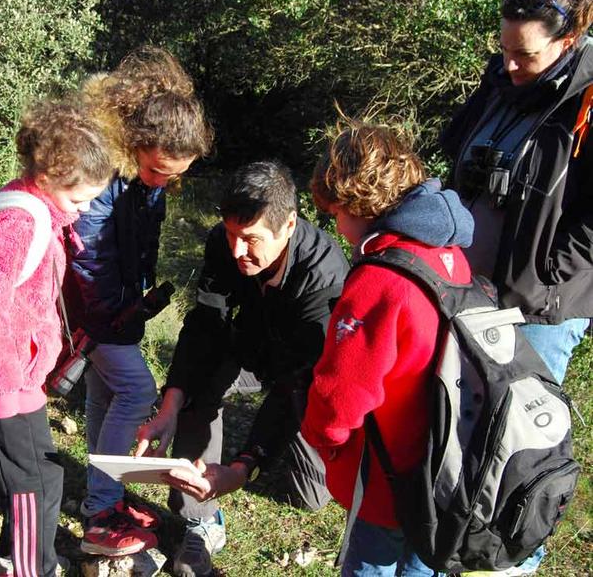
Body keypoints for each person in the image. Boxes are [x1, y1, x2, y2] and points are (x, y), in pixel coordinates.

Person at [440, 0, 593, 573]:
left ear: (570, 38)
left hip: (541, 308)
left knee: (517, 447)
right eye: (504, 49)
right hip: (471, 291)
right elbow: (456, 151)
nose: (509, 63)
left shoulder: (584, 101)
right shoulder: (503, 79)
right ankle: (457, 545)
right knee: (464, 433)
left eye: (524, 54)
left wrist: (548, 276)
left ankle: (514, 560)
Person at [137, 161, 350, 577]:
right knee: (201, 382)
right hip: (249, 347)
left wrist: (244, 465)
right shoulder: (224, 242)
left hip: (303, 370)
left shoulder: (324, 273)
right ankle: (201, 517)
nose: (236, 251)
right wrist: (171, 405)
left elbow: (300, 379)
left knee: (310, 496)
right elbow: (204, 325)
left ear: (288, 225)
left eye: (250, 239)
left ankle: (267, 455)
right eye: (231, 234)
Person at [300, 119, 474, 576]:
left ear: (359, 202)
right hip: (443, 468)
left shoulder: (379, 279)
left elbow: (341, 394)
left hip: (387, 477)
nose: (336, 226)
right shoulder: (447, 255)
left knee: (369, 565)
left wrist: (324, 441)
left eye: (336, 212)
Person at [0, 99, 111, 577]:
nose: (84, 211)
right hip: (4, 381)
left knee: (41, 474)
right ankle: (29, 569)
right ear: (46, 176)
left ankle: (16, 558)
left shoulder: (42, 213)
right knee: (33, 483)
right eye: (79, 199)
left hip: (22, 375)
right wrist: (2, 389)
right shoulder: (17, 224)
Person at [66, 46, 214, 557]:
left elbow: (139, 237)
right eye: (157, 171)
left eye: (174, 176)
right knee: (136, 388)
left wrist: (138, 299)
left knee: (104, 396)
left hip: (120, 306)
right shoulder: (101, 167)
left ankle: (98, 498)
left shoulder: (144, 174)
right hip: (92, 309)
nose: (164, 182)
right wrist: (111, 315)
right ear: (134, 143)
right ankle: (102, 508)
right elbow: (87, 254)